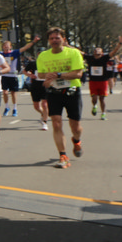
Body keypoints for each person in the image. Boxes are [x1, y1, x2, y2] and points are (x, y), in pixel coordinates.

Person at [35, 27, 86, 169]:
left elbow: (78, 73)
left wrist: (58, 75)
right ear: (48, 41)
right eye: (51, 38)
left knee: (75, 127)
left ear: (63, 39)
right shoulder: (43, 56)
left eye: (57, 38)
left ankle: (76, 140)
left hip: (72, 92)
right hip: (54, 92)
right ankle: (63, 156)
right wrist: (48, 77)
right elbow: (40, 74)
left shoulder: (74, 53)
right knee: (56, 124)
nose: (54, 41)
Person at [83, 35, 122, 120]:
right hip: (93, 81)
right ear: (94, 52)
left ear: (102, 53)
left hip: (103, 81)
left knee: (102, 99)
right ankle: (94, 106)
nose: (97, 50)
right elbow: (79, 52)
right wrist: (67, 45)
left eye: (99, 50)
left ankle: (103, 114)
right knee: (94, 98)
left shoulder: (104, 58)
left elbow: (114, 51)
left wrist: (120, 43)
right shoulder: (90, 58)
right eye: (95, 50)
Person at [0, 38, 38, 117]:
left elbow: (25, 47)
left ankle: (15, 108)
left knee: (13, 93)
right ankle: (7, 107)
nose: (6, 47)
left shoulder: (14, 53)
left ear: (10, 47)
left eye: (7, 46)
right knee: (5, 92)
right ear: (3, 47)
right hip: (4, 75)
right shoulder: (0, 54)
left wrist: (33, 41)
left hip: (13, 76)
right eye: (4, 46)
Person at [22, 56, 49, 130]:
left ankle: (45, 122)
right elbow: (24, 71)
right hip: (35, 86)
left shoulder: (48, 63)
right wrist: (30, 75)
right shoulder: (33, 63)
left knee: (44, 105)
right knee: (36, 106)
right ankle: (43, 114)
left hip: (45, 85)